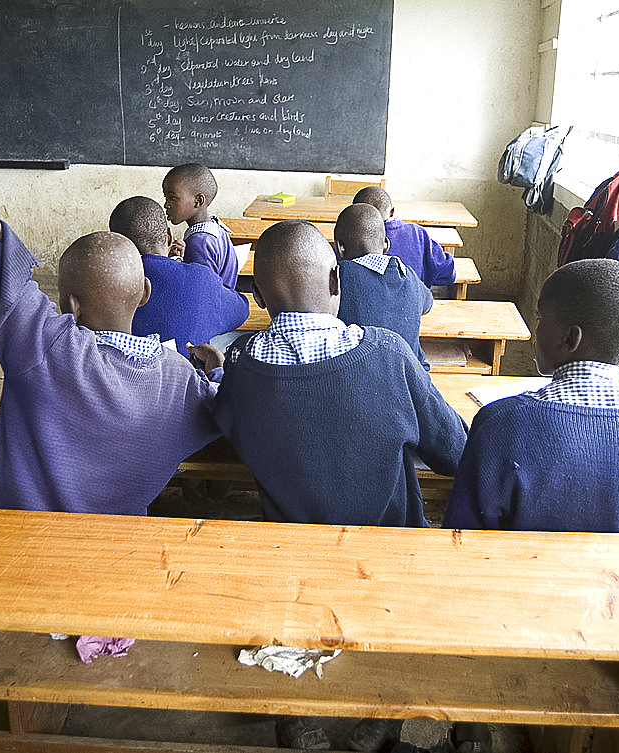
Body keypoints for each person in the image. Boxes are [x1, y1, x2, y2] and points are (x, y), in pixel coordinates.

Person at [0, 37, 223, 515]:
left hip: (13, 540)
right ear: (145, 293)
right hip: (107, 554)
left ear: (68, 304)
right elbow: (222, 407)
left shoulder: (44, 347)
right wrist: (212, 370)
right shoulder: (177, 380)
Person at [211, 219, 467, 752]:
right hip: (388, 558)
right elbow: (453, 454)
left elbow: (231, 428)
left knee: (294, 592)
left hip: (292, 561)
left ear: (257, 296)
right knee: (395, 604)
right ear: (337, 282)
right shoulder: (388, 354)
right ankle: (385, 719)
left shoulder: (240, 370)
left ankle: (294, 716)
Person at [444, 257, 619, 575]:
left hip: (518, 610)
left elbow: (461, 546)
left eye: (541, 318)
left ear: (569, 339)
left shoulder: (501, 424)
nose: (536, 327)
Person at [109, 196, 249, 360]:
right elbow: (241, 310)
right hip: (188, 380)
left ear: (118, 244)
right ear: (169, 236)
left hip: (124, 379)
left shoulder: (108, 284)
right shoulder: (200, 277)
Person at [334, 203, 433, 370]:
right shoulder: (409, 276)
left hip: (359, 376)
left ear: (339, 247)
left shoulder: (338, 276)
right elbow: (428, 304)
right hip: (411, 380)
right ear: (386, 244)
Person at [352, 186, 456, 288]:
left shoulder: (351, 238)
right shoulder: (417, 233)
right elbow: (448, 274)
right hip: (415, 303)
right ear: (392, 212)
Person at [162, 162, 239, 289]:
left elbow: (200, 292)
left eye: (172, 198)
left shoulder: (199, 243)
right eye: (165, 198)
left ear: (198, 201)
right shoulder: (217, 230)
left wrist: (176, 265)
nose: (166, 204)